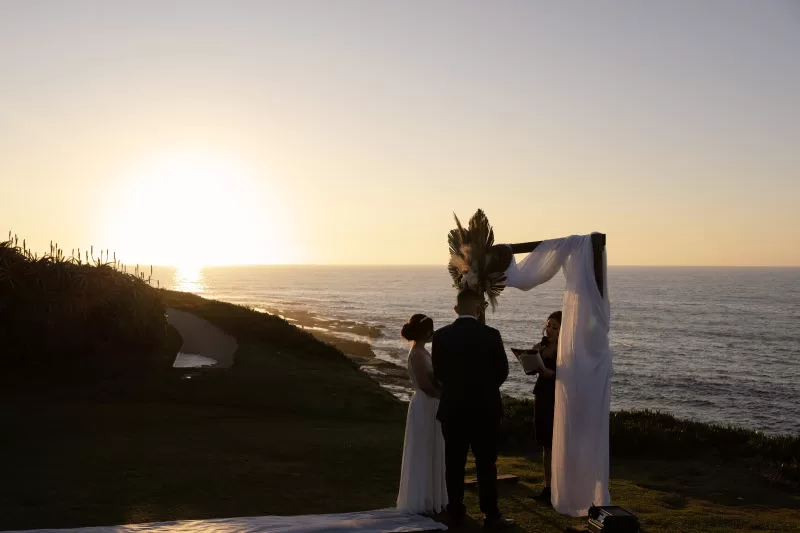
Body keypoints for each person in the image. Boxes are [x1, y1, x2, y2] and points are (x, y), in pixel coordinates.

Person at [432, 288, 514, 530]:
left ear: (456, 308)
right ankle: (491, 515)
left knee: (454, 462)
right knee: (486, 463)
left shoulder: (441, 336)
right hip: (485, 410)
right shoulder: (491, 335)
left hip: (454, 408)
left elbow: (439, 373)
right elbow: (502, 372)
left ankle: (455, 511)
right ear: (479, 309)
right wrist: (484, 389)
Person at [396, 313, 448, 515]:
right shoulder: (417, 354)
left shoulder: (422, 351)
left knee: (432, 448)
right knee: (424, 448)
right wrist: (443, 396)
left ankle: (431, 496)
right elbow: (425, 385)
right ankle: (423, 498)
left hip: (430, 403)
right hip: (426, 404)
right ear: (426, 332)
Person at [530, 311, 561, 505]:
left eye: (555, 327)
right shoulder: (542, 346)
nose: (549, 330)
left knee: (556, 443)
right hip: (541, 396)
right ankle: (547, 486)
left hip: (557, 399)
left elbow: (568, 375)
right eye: (548, 325)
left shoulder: (566, 349)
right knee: (545, 444)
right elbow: (533, 371)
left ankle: (560, 486)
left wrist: (549, 373)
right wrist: (530, 359)